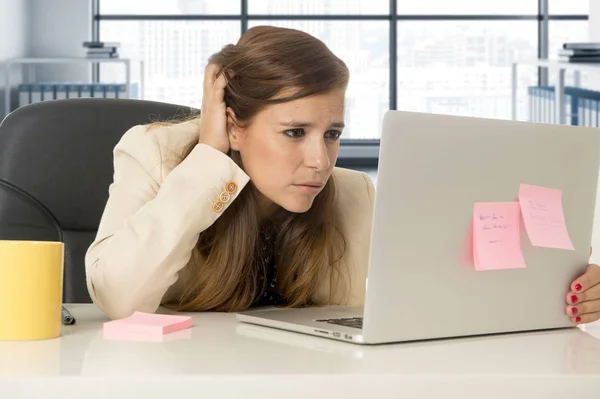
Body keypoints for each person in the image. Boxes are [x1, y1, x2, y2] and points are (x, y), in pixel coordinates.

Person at [85, 26, 600, 326]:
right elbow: (119, 301)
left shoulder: (353, 195)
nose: (320, 160)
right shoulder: (155, 155)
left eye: (332, 133)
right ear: (233, 125)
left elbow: (436, 297)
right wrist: (211, 161)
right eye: (294, 132)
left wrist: (567, 292)